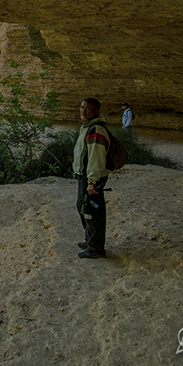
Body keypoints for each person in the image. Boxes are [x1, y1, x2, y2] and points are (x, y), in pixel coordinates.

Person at [74, 97, 109, 259]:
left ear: (96, 111)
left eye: (87, 108)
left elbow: (97, 157)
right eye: (82, 107)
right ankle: (90, 240)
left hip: (91, 179)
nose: (83, 111)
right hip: (85, 177)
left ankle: (96, 248)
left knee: (91, 211)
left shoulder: (96, 130)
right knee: (84, 207)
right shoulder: (87, 127)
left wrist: (92, 181)